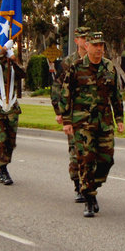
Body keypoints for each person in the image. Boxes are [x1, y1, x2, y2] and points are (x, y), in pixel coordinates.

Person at [62, 31, 125, 218]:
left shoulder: (109, 67)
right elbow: (66, 94)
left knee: (107, 159)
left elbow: (116, 95)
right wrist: (67, 121)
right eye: (95, 45)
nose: (99, 49)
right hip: (83, 123)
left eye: (101, 45)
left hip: (104, 122)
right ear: (86, 46)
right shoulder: (76, 67)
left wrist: (119, 119)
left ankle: (92, 186)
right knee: (86, 160)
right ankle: (89, 199)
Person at [51, 26, 90, 202]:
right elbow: (57, 87)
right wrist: (59, 111)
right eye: (83, 38)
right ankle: (78, 186)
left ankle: (89, 185)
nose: (86, 41)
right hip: (73, 114)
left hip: (92, 115)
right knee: (76, 152)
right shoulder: (68, 63)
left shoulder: (97, 61)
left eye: (89, 38)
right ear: (77, 41)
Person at [0, 41, 25, 185]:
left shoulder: (13, 65)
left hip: (12, 109)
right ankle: (2, 169)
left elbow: (23, 73)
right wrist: (2, 52)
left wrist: (13, 60)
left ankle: (3, 166)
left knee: (10, 141)